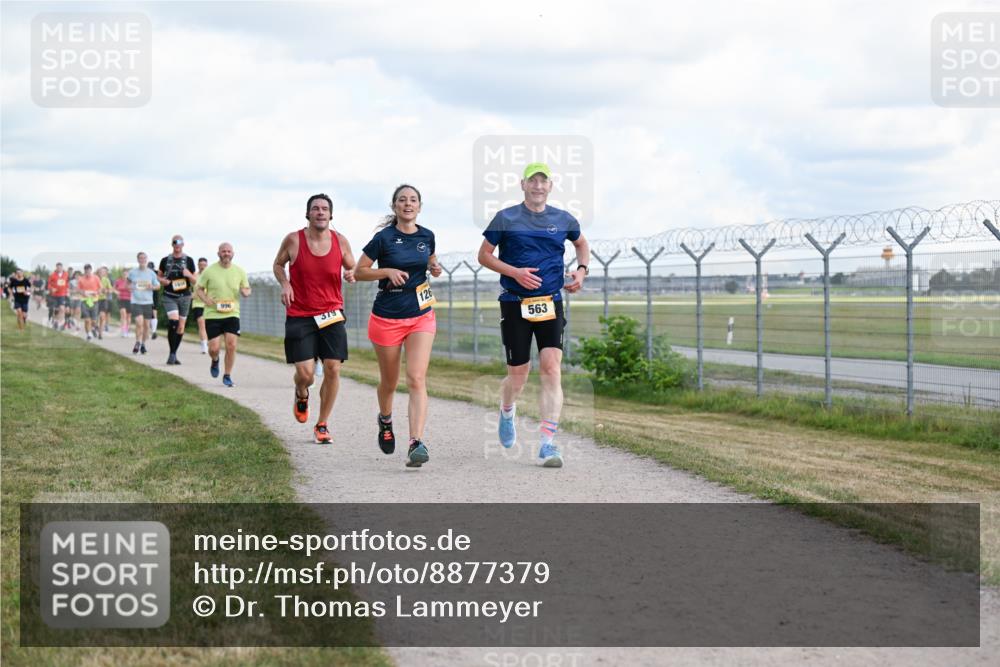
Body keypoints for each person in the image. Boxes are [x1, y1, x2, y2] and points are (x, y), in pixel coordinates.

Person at [477, 162, 590, 468]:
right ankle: (507, 410)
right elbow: (484, 255)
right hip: (515, 302)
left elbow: (581, 244)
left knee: (552, 368)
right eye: (533, 181)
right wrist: (515, 272)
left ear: (550, 186)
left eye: (543, 181)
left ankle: (547, 443)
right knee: (519, 375)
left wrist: (581, 271)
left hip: (551, 302)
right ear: (523, 184)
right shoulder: (506, 218)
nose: (538, 186)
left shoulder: (564, 219)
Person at [355, 184, 441, 468]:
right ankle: (385, 419)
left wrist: (435, 267)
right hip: (387, 317)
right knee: (389, 382)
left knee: (416, 378)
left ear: (420, 206)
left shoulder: (427, 236)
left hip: (421, 314)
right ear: (394, 206)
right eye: (402, 200)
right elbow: (359, 271)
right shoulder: (383, 238)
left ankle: (416, 442)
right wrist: (387, 271)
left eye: (413, 200)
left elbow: (430, 261)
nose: (408, 204)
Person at [272, 193, 356, 444]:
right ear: (307, 214)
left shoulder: (340, 241)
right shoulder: (293, 240)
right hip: (300, 314)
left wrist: (351, 273)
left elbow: (352, 266)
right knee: (306, 374)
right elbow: (278, 265)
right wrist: (285, 283)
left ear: (331, 215)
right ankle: (301, 392)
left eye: (325, 209)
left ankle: (322, 424)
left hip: (331, 313)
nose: (320, 212)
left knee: (333, 367)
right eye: (315, 208)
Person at [195, 243, 251, 387]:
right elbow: (199, 289)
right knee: (213, 348)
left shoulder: (239, 271)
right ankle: (215, 360)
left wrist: (245, 292)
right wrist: (206, 300)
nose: (226, 253)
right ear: (218, 253)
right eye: (223, 251)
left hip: (232, 313)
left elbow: (246, 288)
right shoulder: (209, 271)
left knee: (231, 345)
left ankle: (227, 375)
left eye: (229, 251)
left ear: (233, 254)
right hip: (213, 314)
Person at [158, 235, 197, 365]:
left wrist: (188, 274)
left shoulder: (189, 260)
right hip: (169, 295)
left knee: (181, 327)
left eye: (180, 242)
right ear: (172, 244)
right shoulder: (165, 260)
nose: (177, 244)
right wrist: (162, 281)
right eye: (175, 242)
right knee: (173, 322)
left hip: (185, 296)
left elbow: (195, 281)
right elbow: (159, 276)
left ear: (183, 244)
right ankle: (172, 354)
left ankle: (173, 353)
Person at [128, 253, 159, 355]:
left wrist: (152, 287)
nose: (142, 260)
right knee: (139, 323)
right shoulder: (132, 272)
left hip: (148, 302)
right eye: (140, 258)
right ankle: (137, 342)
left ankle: (143, 344)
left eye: (144, 258)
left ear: (146, 259)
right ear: (138, 260)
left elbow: (158, 286)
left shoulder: (151, 273)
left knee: (146, 325)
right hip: (136, 301)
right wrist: (130, 287)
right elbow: (127, 284)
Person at [77, 264, 103, 340]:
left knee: (94, 321)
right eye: (86, 271)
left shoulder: (96, 278)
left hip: (94, 301)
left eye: (89, 270)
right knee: (87, 320)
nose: (87, 272)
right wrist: (83, 293)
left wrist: (97, 292)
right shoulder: (81, 279)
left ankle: (93, 328)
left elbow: (100, 288)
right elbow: (78, 289)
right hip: (85, 301)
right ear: (84, 271)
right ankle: (88, 334)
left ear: (91, 270)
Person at [190, 256, 210, 354]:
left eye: (204, 265)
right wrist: (190, 294)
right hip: (197, 304)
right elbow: (186, 286)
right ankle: (204, 346)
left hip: (208, 303)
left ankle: (207, 342)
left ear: (207, 265)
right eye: (201, 265)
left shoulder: (210, 276)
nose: (202, 267)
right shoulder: (194, 276)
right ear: (198, 265)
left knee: (208, 325)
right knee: (201, 323)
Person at [47, 262, 69, 330]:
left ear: (62, 267)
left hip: (62, 294)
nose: (59, 269)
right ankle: (54, 321)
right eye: (57, 267)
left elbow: (66, 283)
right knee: (56, 310)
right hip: (54, 294)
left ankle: (59, 322)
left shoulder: (66, 274)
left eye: (60, 267)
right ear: (56, 268)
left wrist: (67, 291)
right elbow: (49, 284)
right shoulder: (52, 275)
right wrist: (51, 289)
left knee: (62, 308)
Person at [114, 271, 131, 337]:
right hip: (121, 299)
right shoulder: (118, 281)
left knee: (128, 317)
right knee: (123, 315)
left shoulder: (131, 281)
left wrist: (129, 289)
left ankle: (127, 330)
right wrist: (117, 292)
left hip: (130, 300)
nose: (125, 275)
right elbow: (114, 289)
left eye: (126, 274)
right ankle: (124, 331)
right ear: (122, 274)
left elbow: (134, 290)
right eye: (124, 274)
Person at [97, 266, 113, 335]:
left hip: (103, 299)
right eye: (100, 272)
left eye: (103, 272)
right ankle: (95, 326)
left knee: (102, 316)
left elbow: (110, 290)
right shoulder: (94, 279)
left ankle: (100, 332)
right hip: (94, 300)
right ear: (98, 273)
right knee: (94, 317)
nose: (101, 273)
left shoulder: (106, 280)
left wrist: (106, 291)